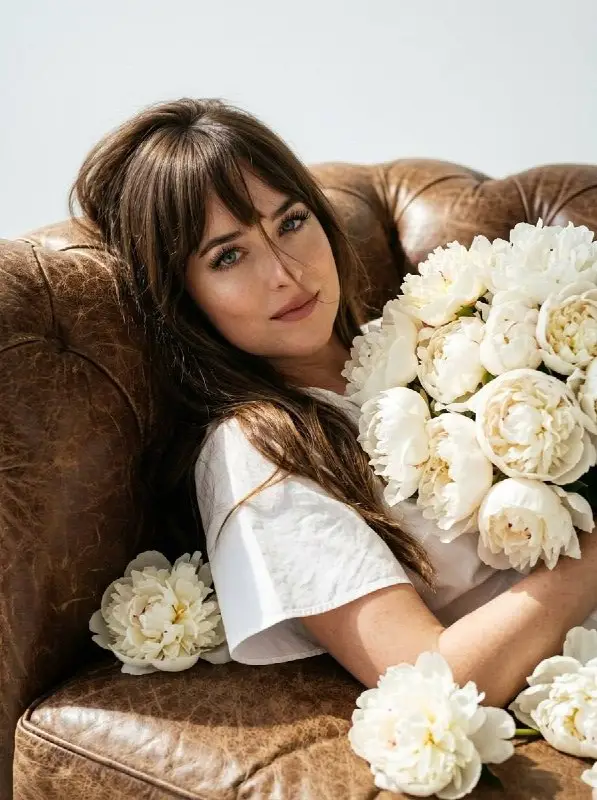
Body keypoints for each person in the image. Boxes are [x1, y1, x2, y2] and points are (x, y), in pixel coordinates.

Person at [70, 97, 597, 708]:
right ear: (182, 299)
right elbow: (431, 680)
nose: (285, 273)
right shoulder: (257, 451)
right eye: (228, 256)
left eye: (290, 221)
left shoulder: (439, 332)